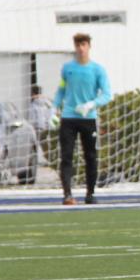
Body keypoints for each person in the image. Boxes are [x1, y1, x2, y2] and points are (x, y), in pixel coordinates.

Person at [51, 33, 111, 206]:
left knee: (90, 156)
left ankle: (90, 193)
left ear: (88, 46)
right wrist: (53, 108)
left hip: (88, 118)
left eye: (83, 44)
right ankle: (67, 195)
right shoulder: (68, 68)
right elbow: (62, 89)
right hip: (69, 118)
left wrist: (91, 104)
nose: (80, 48)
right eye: (78, 45)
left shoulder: (97, 70)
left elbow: (107, 94)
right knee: (67, 156)